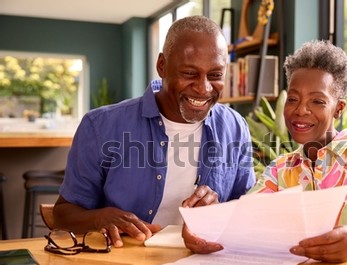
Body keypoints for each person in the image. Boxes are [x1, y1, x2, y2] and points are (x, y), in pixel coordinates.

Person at [184, 39, 347, 263]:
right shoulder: (280, 170)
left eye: (317, 101)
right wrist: (205, 227)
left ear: (339, 108)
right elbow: (244, 227)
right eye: (293, 99)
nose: (300, 110)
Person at [53, 15, 256, 247]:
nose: (203, 88)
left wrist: (219, 213)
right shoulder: (100, 126)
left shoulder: (235, 126)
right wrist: (99, 217)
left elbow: (246, 210)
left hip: (204, 262)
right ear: (162, 66)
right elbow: (62, 215)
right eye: (190, 73)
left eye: (215, 75)